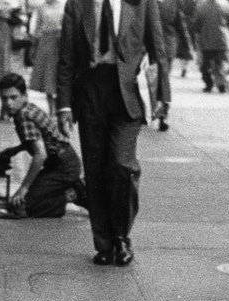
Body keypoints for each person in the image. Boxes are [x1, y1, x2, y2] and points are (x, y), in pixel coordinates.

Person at [56, 0, 170, 266]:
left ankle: (122, 235)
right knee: (95, 171)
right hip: (91, 93)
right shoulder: (77, 5)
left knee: (122, 165)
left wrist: (163, 95)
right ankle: (104, 244)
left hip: (128, 94)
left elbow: (158, 49)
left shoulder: (142, 3)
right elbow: (66, 58)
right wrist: (63, 106)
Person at [0, 72, 87, 217]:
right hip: (63, 162)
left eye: (13, 97)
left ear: (24, 95)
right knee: (26, 200)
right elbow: (40, 140)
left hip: (63, 167)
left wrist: (23, 188)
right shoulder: (28, 108)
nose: (9, 103)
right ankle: (73, 190)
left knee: (22, 206)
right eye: (4, 98)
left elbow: (40, 154)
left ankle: (73, 193)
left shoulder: (23, 116)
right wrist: (15, 150)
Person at [29, 0, 67, 115]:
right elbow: (37, 27)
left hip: (61, 42)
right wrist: (34, 46)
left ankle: (61, 105)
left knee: (60, 73)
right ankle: (51, 108)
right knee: (47, 75)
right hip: (45, 42)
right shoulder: (41, 7)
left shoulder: (64, 5)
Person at [190, 0, 229, 93]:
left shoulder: (201, 7)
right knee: (221, 63)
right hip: (222, 40)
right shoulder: (225, 6)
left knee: (205, 65)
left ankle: (208, 84)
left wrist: (197, 35)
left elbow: (195, 25)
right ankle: (221, 83)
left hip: (206, 40)